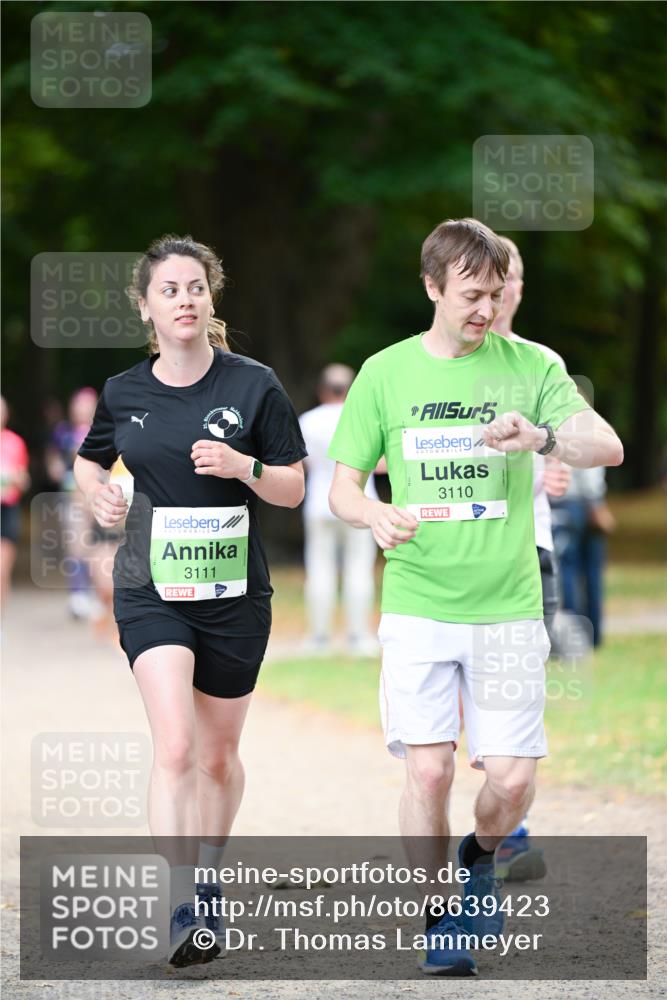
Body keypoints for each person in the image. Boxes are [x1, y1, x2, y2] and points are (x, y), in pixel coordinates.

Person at [328, 218, 623, 976]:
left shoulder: (531, 366)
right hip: (419, 601)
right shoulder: (385, 372)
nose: (486, 309)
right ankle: (438, 917)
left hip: (508, 606)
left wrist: (541, 438)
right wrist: (374, 514)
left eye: (495, 294)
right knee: (428, 771)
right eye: (470, 296)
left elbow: (607, 445)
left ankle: (480, 853)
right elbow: (342, 489)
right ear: (432, 287)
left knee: (512, 780)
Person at [73, 234, 306, 967]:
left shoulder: (253, 385)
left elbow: (293, 488)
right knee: (174, 745)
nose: (184, 300)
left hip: (234, 595)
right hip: (151, 591)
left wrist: (245, 466)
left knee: (217, 756)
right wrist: (100, 496)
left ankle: (207, 876)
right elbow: (88, 463)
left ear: (211, 298)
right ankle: (180, 904)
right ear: (145, 306)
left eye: (195, 288)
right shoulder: (124, 391)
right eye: (169, 290)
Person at [490, 236, 571, 880]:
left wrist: (557, 460)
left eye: (512, 276)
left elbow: (570, 440)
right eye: (493, 279)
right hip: (453, 558)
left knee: (517, 696)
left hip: (530, 549)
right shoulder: (429, 363)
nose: (504, 289)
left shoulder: (541, 363)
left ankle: (510, 833)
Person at [299, 364, 380, 656]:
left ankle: (319, 638)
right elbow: (380, 463)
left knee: (319, 569)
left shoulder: (308, 420)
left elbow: (303, 463)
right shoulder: (361, 418)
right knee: (359, 568)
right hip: (359, 502)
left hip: (320, 502)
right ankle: (359, 637)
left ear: (322, 390)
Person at [45, 387, 99, 620]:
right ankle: (78, 595)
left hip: (96, 496)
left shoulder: (102, 431)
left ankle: (97, 593)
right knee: (76, 544)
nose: (81, 410)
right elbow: (52, 456)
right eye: (78, 405)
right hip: (71, 496)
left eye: (86, 406)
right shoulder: (63, 432)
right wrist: (54, 466)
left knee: (97, 546)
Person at [550, 465, 615, 647]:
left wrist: (595, 503)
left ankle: (577, 638)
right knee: (590, 575)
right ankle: (593, 636)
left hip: (571, 503)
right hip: (583, 503)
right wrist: (596, 503)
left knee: (569, 574)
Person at [1, 396, 30, 602]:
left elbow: (24, 480)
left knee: (2, 569)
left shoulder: (15, 442)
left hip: (7, 509)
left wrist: (17, 479)